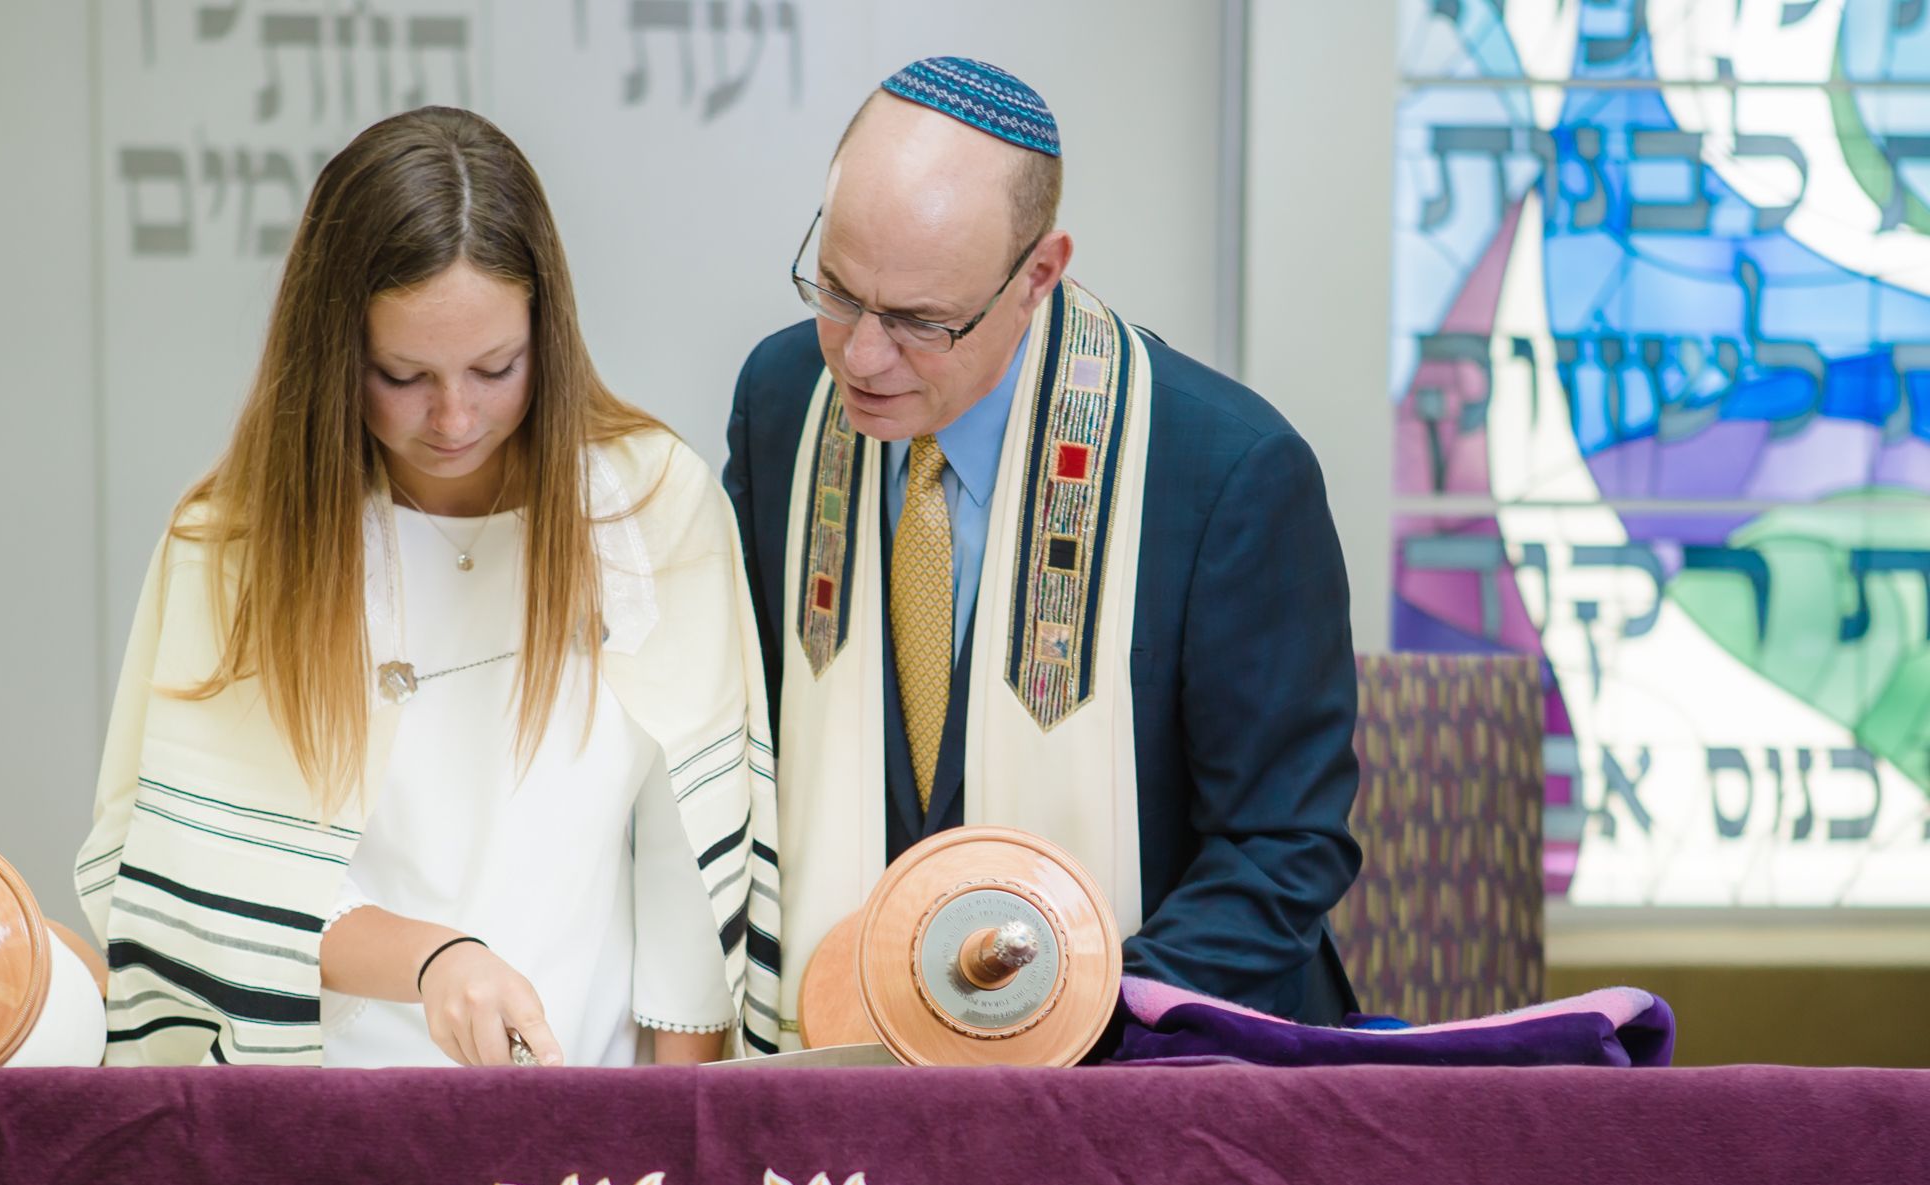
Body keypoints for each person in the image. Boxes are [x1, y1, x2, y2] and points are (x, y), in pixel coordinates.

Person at [78, 107, 776, 1067]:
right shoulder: (238, 538)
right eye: (402, 375)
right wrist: (433, 959)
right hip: (335, 1113)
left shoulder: (649, 502)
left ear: (549, 333)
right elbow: (203, 875)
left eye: (497, 367)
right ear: (333, 357)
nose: (455, 418)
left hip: (594, 1094)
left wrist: (663, 1127)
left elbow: (687, 853)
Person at [724, 57, 1359, 1046]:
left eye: (921, 322)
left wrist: (1048, 1019)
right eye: (838, 291)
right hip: (848, 1056)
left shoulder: (1228, 475)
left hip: (1148, 1072)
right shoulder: (783, 407)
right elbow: (740, 749)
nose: (859, 356)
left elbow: (1281, 852)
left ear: (1039, 274)